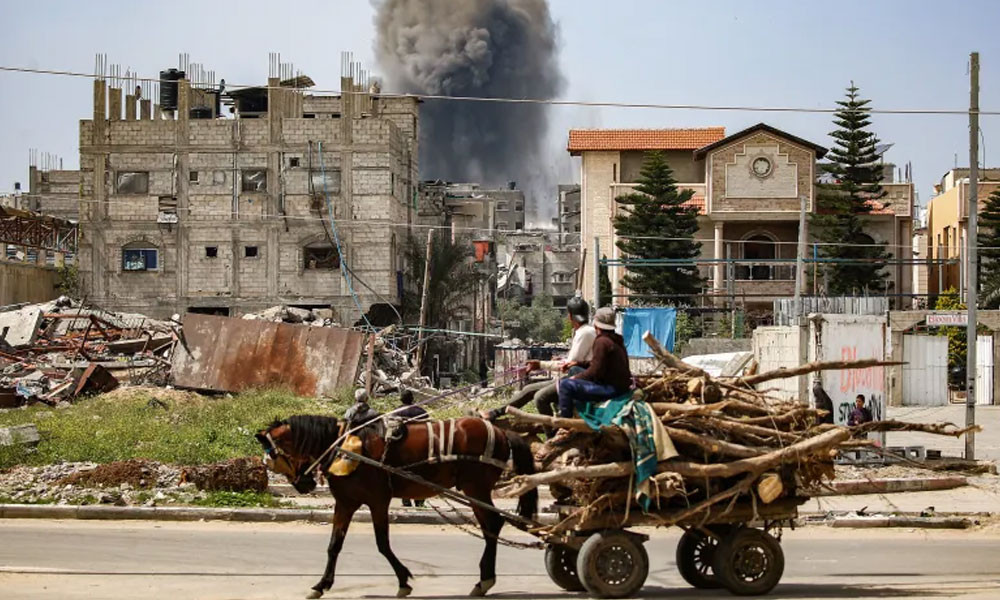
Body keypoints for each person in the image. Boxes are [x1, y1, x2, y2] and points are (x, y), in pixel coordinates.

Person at [481, 296, 595, 421]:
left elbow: (568, 366)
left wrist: (540, 364)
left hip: (577, 382)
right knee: (529, 389)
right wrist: (557, 360)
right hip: (578, 379)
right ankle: (495, 413)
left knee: (539, 397)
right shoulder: (586, 331)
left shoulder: (584, 333)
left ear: (570, 316)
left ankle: (554, 431)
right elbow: (574, 361)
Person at [556, 307, 632, 419]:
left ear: (596, 325)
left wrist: (576, 378)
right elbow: (599, 363)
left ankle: (565, 421)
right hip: (619, 386)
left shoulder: (602, 342)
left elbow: (595, 372)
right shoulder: (616, 339)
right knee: (574, 369)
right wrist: (578, 363)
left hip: (611, 389)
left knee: (565, 385)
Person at [396, 389, 429, 507]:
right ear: (412, 399)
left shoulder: (396, 412)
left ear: (401, 399)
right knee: (421, 474)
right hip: (420, 447)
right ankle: (420, 501)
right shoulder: (421, 412)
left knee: (403, 474)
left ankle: (406, 500)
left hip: (403, 447)